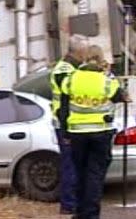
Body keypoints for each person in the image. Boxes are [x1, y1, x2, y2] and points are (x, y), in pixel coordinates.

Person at [60, 46, 127, 219]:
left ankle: (80, 212)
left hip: (76, 134)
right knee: (95, 176)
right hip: (101, 133)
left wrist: (65, 134)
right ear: (101, 60)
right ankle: (91, 215)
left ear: (84, 59)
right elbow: (121, 96)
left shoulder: (70, 79)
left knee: (80, 173)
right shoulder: (106, 81)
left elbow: (63, 109)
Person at [49, 34, 89, 215]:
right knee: (70, 166)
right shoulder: (63, 71)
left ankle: (74, 201)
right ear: (80, 52)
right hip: (64, 124)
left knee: (76, 164)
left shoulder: (74, 68)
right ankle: (68, 204)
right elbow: (66, 102)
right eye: (85, 51)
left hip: (73, 124)